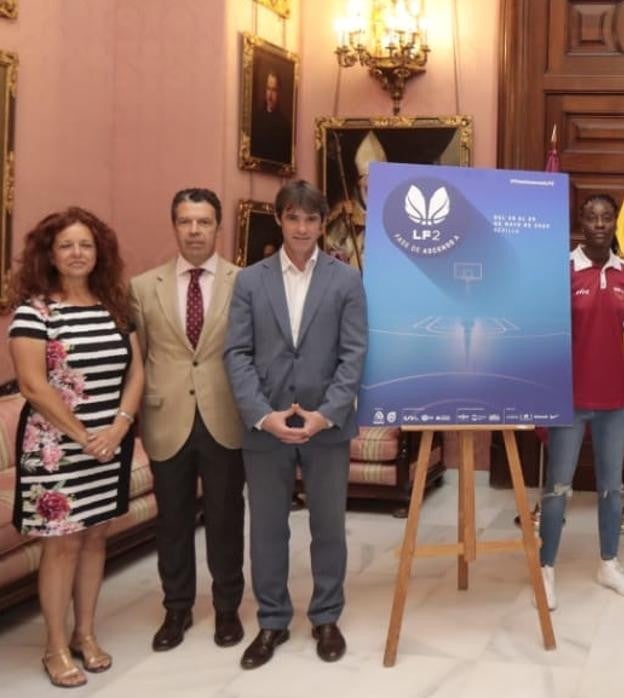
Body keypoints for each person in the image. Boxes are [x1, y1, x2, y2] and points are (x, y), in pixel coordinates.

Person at [224, 180, 367, 670]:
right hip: (267, 427)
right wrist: (263, 415)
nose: (302, 227)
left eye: (311, 219)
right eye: (293, 218)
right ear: (279, 220)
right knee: (267, 529)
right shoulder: (249, 281)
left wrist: (325, 412)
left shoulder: (346, 280)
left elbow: (354, 354)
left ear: (322, 223)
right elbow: (237, 354)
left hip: (326, 427)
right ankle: (272, 621)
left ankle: (326, 617)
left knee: (328, 527)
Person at [4, 208, 144, 688]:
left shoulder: (114, 305)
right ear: (50, 254)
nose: (78, 253)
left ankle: (86, 634)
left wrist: (120, 426)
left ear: (98, 251)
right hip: (55, 451)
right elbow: (32, 385)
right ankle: (55, 646)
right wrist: (85, 436)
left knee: (95, 538)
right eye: (66, 245)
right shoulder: (34, 311)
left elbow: (136, 373)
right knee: (61, 545)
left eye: (86, 244)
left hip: (110, 444)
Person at [129, 188, 246, 652]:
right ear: (174, 226)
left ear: (219, 227)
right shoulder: (143, 287)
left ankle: (226, 609)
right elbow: (137, 360)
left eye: (203, 222)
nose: (194, 230)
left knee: (225, 518)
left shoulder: (246, 282)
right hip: (166, 418)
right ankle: (176, 609)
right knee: (173, 521)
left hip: (226, 416)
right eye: (185, 221)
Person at [537, 195, 624, 609]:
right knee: (558, 486)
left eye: (607, 217)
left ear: (615, 222)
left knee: (611, 487)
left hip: (615, 397)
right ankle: (546, 568)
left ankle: (609, 562)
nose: (600, 223)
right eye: (591, 216)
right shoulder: (562, 270)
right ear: (580, 222)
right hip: (569, 396)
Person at [325, 130, 385, 270]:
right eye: (367, 179)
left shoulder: (393, 209)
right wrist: (344, 221)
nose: (373, 185)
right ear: (359, 182)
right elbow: (330, 246)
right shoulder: (346, 208)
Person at [249, 70, 292, 165]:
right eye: (268, 89)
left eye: (274, 90)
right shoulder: (256, 119)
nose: (270, 95)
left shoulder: (285, 125)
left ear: (279, 93)